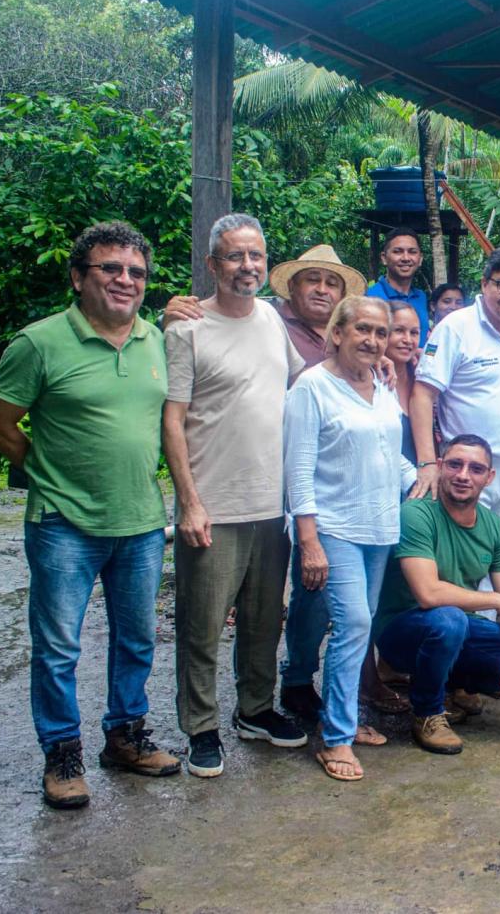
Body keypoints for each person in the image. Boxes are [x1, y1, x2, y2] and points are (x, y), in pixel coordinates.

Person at [0, 221, 180, 809]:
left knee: (137, 639)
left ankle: (125, 735)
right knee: (58, 647)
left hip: (141, 520)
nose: (125, 280)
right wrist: (47, 473)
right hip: (62, 525)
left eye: (136, 272)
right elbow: (1, 425)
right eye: (110, 268)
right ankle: (61, 753)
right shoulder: (38, 343)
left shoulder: (156, 340)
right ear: (78, 277)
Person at [163, 213, 308, 779]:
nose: (247, 266)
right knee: (201, 625)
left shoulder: (271, 318)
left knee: (263, 619)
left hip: (273, 504)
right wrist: (189, 502)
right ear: (212, 264)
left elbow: (300, 385)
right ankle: (200, 727)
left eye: (255, 255)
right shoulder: (187, 329)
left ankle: (255, 709)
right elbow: (172, 420)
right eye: (234, 256)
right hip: (213, 505)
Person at [282, 296, 417, 781]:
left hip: (379, 527)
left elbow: (388, 452)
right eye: (363, 329)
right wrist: (309, 540)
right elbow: (298, 469)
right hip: (333, 526)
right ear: (336, 333)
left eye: (381, 332)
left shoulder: (381, 384)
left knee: (360, 626)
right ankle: (335, 737)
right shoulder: (311, 387)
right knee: (354, 623)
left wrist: (423, 480)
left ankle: (343, 715)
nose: (374, 340)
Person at [409, 245, 500, 636]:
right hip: (465, 471)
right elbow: (423, 395)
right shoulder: (456, 327)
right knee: (459, 561)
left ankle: (486, 648)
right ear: (485, 283)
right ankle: (454, 649)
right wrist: (428, 463)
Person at [377, 435, 500, 754]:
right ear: (441, 467)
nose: (463, 475)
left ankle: (451, 684)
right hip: (402, 632)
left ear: (489, 477)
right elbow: (428, 594)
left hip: (454, 629)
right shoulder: (417, 513)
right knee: (449, 620)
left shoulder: (494, 528)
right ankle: (427, 712)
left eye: (476, 469)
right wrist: (496, 600)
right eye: (455, 465)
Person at [163, 245, 366, 369]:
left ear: (342, 295)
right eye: (312, 280)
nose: (322, 290)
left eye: (332, 284)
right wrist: (169, 320)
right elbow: (215, 328)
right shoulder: (263, 318)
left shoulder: (352, 332)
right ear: (292, 286)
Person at [365, 230, 431, 345]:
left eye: (412, 252)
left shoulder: (421, 297)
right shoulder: (370, 297)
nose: (406, 258)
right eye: (397, 251)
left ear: (420, 259)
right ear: (384, 258)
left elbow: (424, 339)